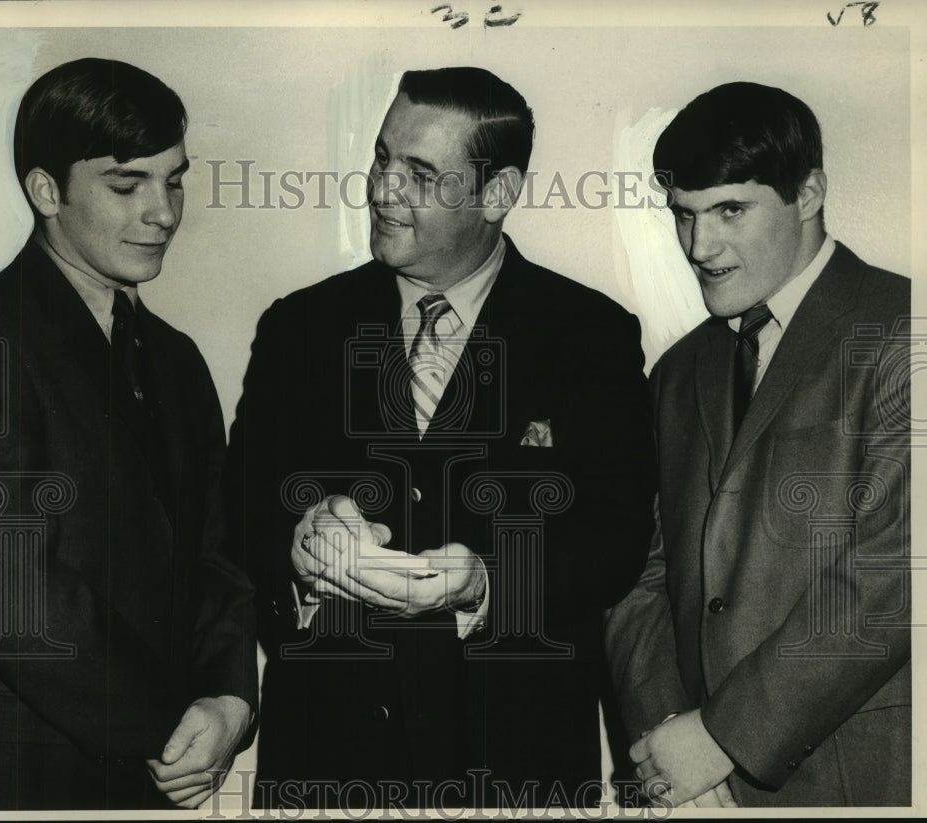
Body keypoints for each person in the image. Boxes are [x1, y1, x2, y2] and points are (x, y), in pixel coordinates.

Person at [223, 66, 655, 811]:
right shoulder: (297, 327)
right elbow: (236, 512)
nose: (384, 190)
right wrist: (298, 544)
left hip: (516, 765)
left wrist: (488, 580)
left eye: (421, 173)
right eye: (384, 157)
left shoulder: (592, 335)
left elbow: (615, 540)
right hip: (325, 760)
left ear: (497, 193)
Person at [0, 58, 258, 811]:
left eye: (173, 179)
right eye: (127, 184)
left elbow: (220, 554)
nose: (164, 212)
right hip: (27, 778)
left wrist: (228, 701)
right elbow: (11, 593)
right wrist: (171, 730)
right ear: (45, 190)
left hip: (163, 768)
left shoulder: (176, 357)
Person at [604, 81, 911, 808]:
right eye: (684, 215)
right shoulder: (678, 372)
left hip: (855, 776)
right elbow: (638, 570)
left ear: (809, 194)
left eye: (729, 210)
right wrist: (667, 743)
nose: (698, 247)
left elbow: (895, 571)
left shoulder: (906, 329)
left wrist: (724, 736)